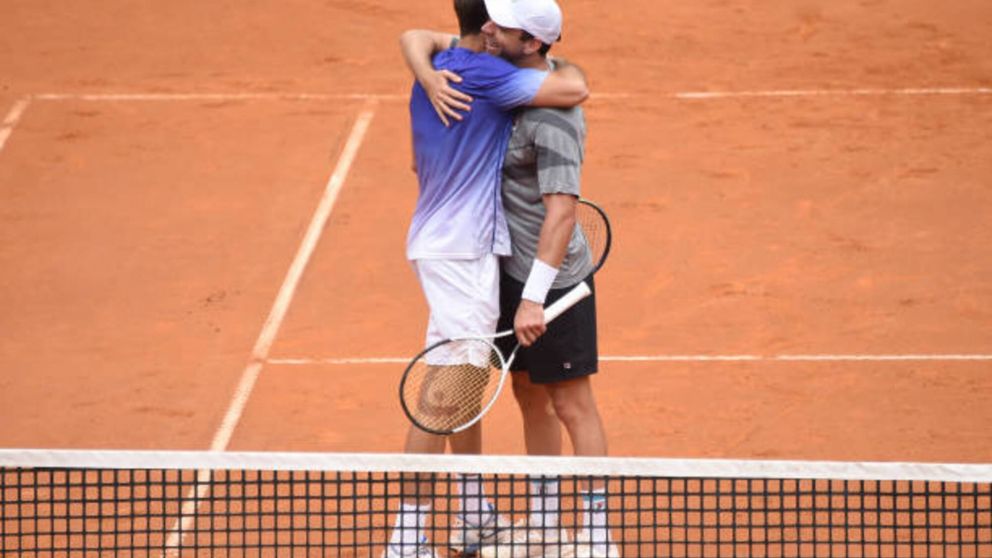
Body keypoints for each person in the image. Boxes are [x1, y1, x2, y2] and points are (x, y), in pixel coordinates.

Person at [405, 0, 616, 556]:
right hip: (484, 262)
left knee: (561, 403)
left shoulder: (542, 109)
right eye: (491, 20)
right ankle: (475, 523)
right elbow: (421, 37)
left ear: (530, 42)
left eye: (504, 25)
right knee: (483, 392)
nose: (490, 28)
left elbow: (562, 213)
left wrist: (534, 299)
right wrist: (425, 68)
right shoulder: (490, 73)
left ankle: (595, 535)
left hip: (545, 281)